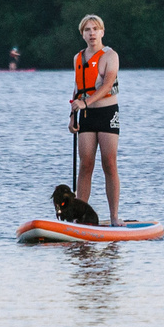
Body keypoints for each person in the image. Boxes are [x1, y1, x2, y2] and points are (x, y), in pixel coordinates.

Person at [70, 14, 123, 226]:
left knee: (109, 163)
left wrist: (86, 103)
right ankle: (79, 217)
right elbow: (77, 88)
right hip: (85, 115)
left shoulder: (110, 55)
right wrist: (73, 115)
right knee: (86, 165)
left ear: (102, 32)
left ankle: (114, 217)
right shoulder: (78, 58)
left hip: (107, 112)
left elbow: (107, 85)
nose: (92, 33)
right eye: (87, 30)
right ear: (82, 34)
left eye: (95, 29)